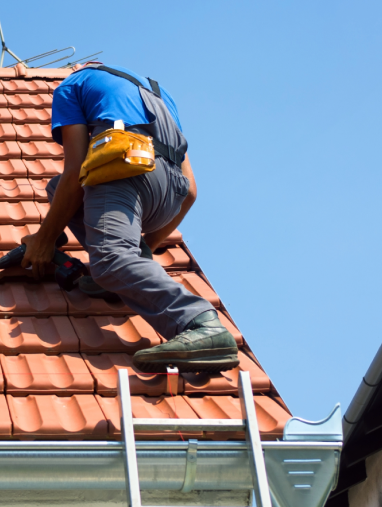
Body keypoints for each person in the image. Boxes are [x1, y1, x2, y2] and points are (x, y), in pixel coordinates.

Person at [20, 63, 238, 373]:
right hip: (168, 195)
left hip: (127, 171)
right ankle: (126, 271)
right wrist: (145, 246)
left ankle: (199, 323)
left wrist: (43, 240)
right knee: (58, 190)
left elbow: (74, 173)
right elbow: (190, 192)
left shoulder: (70, 87)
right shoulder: (159, 95)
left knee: (108, 259)